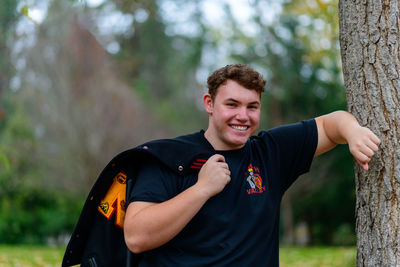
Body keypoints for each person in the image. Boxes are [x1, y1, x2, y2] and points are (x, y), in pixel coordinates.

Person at [122, 64, 381, 266]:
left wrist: (353, 132)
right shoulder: (169, 157)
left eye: (252, 106)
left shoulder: (270, 154)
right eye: (232, 104)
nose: (242, 116)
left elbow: (329, 123)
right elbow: (136, 237)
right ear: (209, 104)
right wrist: (202, 189)